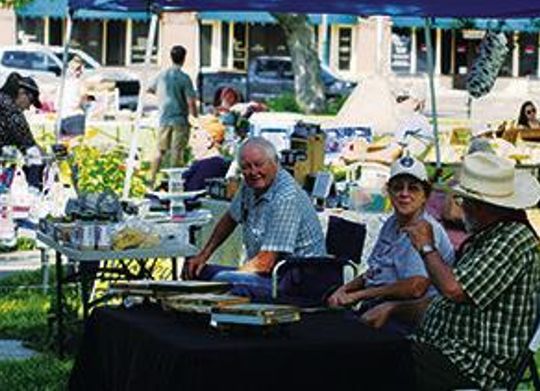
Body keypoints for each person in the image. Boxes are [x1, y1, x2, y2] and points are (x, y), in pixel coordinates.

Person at [369, 152, 540, 390]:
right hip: (443, 348)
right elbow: (445, 301)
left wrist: (427, 247)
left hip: (471, 364)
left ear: (486, 206)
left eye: (466, 201)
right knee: (363, 349)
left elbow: (453, 290)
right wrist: (393, 308)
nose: (462, 208)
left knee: (369, 363)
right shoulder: (488, 236)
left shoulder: (512, 237)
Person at [183, 137, 326, 300]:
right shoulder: (249, 185)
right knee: (194, 270)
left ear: (275, 163)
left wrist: (231, 277)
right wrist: (204, 255)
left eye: (259, 165)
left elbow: (264, 263)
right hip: (270, 275)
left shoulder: (286, 197)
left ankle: (218, 322)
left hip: (295, 283)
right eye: (246, 167)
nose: (253, 172)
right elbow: (230, 218)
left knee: (221, 282)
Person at [327, 156, 454, 334]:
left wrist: (358, 295)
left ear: (425, 196)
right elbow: (374, 271)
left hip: (410, 318)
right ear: (389, 191)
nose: (404, 194)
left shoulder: (424, 229)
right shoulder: (392, 223)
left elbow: (415, 288)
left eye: (413, 188)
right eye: (397, 187)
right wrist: (345, 289)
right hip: (380, 305)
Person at [148, 45, 198, 187]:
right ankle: (174, 184)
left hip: (164, 118)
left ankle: (151, 180)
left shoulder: (162, 75)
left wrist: (162, 97)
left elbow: (149, 88)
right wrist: (195, 116)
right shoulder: (184, 78)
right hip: (179, 120)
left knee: (160, 150)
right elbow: (191, 102)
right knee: (177, 152)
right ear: (184, 58)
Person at [183, 117, 228, 191]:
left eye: (195, 137)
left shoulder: (210, 165)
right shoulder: (208, 163)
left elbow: (191, 192)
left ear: (209, 141)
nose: (190, 143)